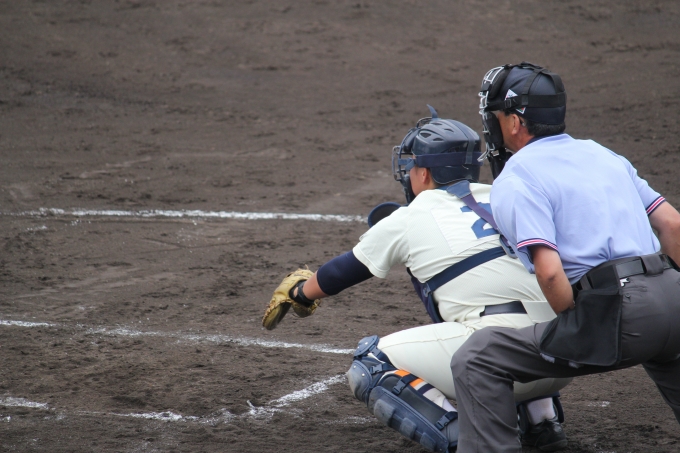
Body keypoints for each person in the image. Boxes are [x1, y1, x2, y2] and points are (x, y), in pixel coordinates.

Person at [262, 107, 572, 452]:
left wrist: (300, 292)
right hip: (563, 355)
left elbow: (341, 272)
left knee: (371, 363)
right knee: (510, 302)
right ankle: (542, 423)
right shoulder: (505, 195)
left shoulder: (410, 216)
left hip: (497, 363)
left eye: (411, 166)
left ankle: (465, 442)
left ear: (424, 173)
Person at [450, 62, 680, 452]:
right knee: (666, 349)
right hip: (673, 295)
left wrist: (580, 322)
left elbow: (550, 274)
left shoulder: (517, 177)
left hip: (620, 311)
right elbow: (673, 224)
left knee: (477, 357)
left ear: (515, 122)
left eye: (497, 115)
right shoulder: (604, 154)